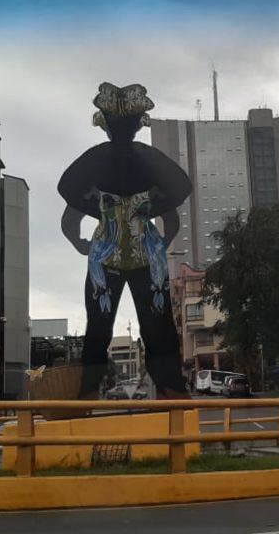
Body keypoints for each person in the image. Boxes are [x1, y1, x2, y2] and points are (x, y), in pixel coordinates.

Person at [58, 82, 192, 400]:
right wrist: (158, 243)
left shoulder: (92, 163)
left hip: (106, 257)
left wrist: (82, 245)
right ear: (137, 125)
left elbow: (69, 221)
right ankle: (171, 389)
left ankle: (89, 393)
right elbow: (171, 219)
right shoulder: (151, 163)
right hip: (143, 258)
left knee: (101, 328)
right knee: (154, 327)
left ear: (105, 125)